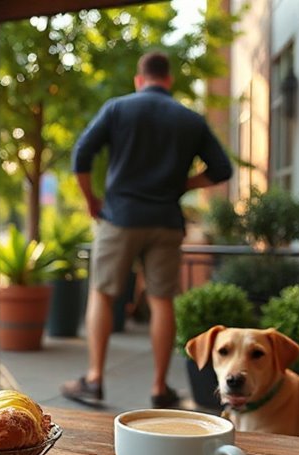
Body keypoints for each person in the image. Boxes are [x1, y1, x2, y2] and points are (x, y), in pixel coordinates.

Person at [62, 50, 234, 409]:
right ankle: (159, 387)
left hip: (120, 216)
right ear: (168, 81)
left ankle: (94, 380)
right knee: (162, 301)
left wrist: (91, 199)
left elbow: (81, 154)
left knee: (103, 293)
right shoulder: (190, 119)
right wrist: (183, 184)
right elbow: (221, 169)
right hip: (166, 222)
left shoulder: (118, 108)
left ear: (139, 81)